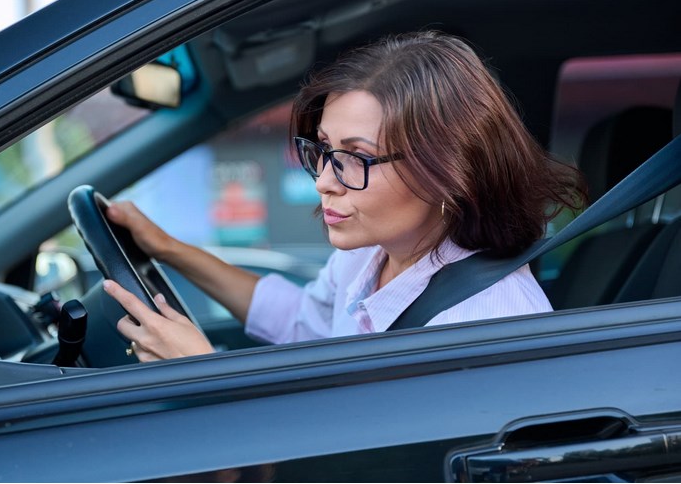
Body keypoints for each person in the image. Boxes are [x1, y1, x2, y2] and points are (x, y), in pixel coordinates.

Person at [102, 30, 587, 362]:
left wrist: (202, 374)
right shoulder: (373, 255)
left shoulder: (482, 321)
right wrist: (167, 248)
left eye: (357, 156)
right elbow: (299, 323)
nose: (323, 181)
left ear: (446, 170)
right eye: (326, 150)